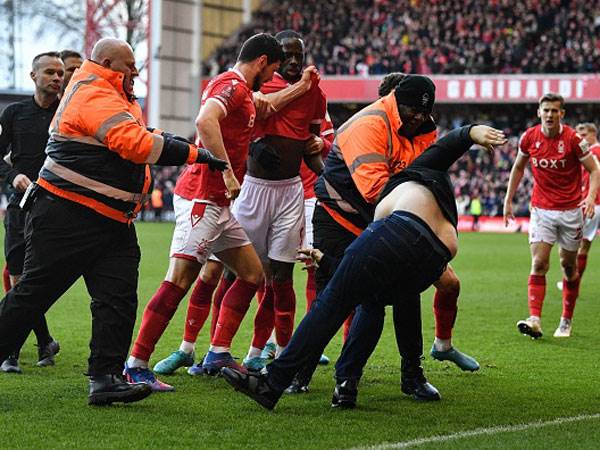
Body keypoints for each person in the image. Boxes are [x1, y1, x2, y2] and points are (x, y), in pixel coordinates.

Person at [0, 37, 227, 406]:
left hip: (107, 219)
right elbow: (134, 144)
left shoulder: (109, 91)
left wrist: (174, 141)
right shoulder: (94, 92)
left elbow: (139, 133)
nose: (136, 71)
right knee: (33, 296)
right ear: (107, 62)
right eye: (129, 65)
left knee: (116, 299)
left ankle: (105, 378)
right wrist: (194, 153)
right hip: (69, 215)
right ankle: (103, 376)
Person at [221, 125, 507, 410]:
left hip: (400, 232)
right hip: (435, 255)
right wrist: (471, 134)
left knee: (332, 302)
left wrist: (469, 132)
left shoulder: (410, 172)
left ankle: (273, 383)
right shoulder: (428, 184)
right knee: (374, 302)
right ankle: (360, 383)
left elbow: (444, 147)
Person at [124, 33, 320, 387]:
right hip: (203, 198)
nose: (274, 76)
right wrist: (227, 171)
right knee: (180, 280)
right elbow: (205, 121)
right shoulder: (231, 86)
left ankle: (217, 352)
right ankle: (136, 363)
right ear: (262, 62)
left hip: (221, 205)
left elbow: (265, 106)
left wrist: (303, 85)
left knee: (252, 274)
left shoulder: (244, 91)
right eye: (273, 68)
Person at [290, 73, 477, 399]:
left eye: (420, 112)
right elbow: (374, 190)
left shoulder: (421, 131)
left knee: (402, 295)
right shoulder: (369, 127)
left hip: (383, 221)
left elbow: (420, 179)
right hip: (341, 218)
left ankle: (406, 375)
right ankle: (302, 372)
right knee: (334, 297)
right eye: (404, 108)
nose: (413, 117)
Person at [226, 30, 327, 373]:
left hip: (290, 191)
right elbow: (263, 110)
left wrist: (327, 177)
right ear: (275, 60)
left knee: (282, 276)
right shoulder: (259, 86)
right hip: (252, 189)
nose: (295, 61)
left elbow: (310, 144)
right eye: (288, 56)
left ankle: (284, 354)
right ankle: (216, 349)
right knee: (237, 274)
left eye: (300, 54)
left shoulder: (318, 96)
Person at [504, 94, 600, 339]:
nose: (549, 115)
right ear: (539, 112)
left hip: (570, 211)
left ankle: (566, 320)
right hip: (541, 210)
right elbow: (518, 167)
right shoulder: (529, 138)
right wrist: (508, 199)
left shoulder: (573, 140)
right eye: (545, 110)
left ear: (562, 114)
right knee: (538, 263)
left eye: (554, 111)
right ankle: (534, 319)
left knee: (568, 266)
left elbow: (594, 169)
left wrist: (589, 198)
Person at [0, 52, 64, 373]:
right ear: (33, 76)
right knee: (17, 277)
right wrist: (13, 176)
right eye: (50, 72)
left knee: (37, 281)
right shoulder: (13, 114)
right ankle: (33, 344)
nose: (56, 78)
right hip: (19, 207)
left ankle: (23, 346)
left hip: (56, 210)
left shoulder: (68, 114)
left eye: (60, 73)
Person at [556, 123, 600, 292]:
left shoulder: (593, 153)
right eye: (578, 133)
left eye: (583, 133)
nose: (580, 136)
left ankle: (571, 283)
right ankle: (574, 283)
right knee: (585, 245)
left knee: (577, 246)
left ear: (593, 133)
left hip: (592, 204)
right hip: (595, 204)